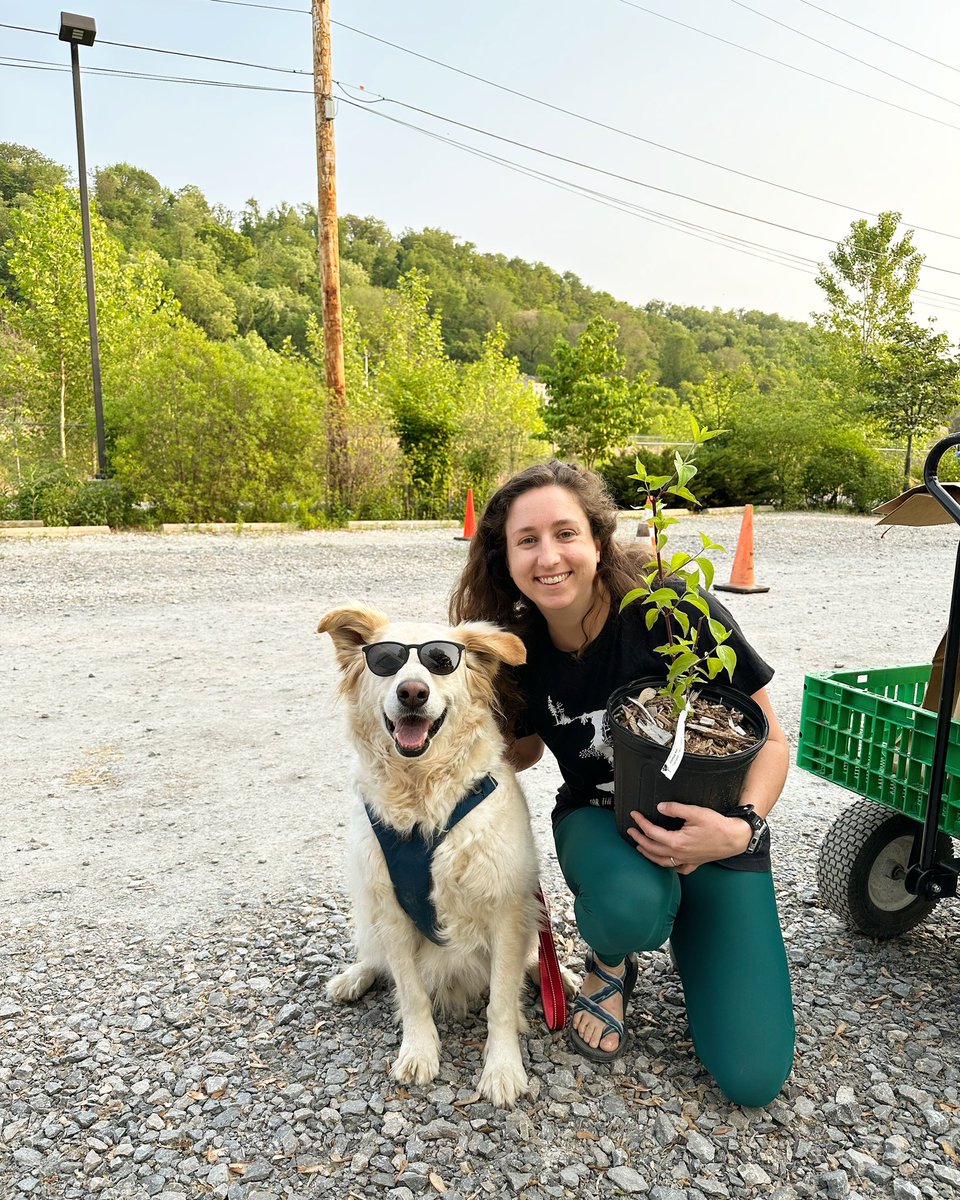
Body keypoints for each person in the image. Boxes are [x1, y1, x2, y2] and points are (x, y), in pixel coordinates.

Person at [449, 460, 795, 1108]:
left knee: (754, 1076)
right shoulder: (516, 647)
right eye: (527, 540)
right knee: (629, 907)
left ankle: (695, 919)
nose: (549, 556)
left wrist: (738, 828)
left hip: (719, 833)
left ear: (598, 539)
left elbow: (771, 741)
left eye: (565, 533)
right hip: (602, 821)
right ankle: (613, 957)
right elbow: (517, 754)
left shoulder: (673, 612)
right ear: (504, 557)